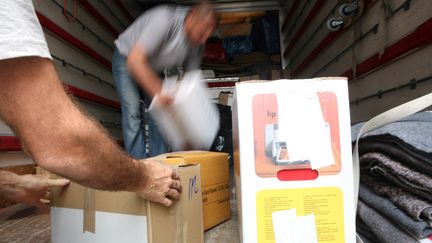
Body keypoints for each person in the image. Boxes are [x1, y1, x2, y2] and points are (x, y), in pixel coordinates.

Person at [0, 0, 181, 209]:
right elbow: (61, 142)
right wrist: (145, 178)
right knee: (134, 114)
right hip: (130, 58)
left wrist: (12, 184)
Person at [112, 3, 217, 159]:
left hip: (153, 68)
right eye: (202, 33)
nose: (203, 40)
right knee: (133, 112)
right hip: (127, 57)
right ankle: (138, 164)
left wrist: (191, 131)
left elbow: (191, 85)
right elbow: (135, 61)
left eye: (208, 36)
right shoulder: (164, 20)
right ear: (192, 17)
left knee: (160, 115)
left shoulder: (197, 44)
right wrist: (159, 92)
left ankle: (160, 162)